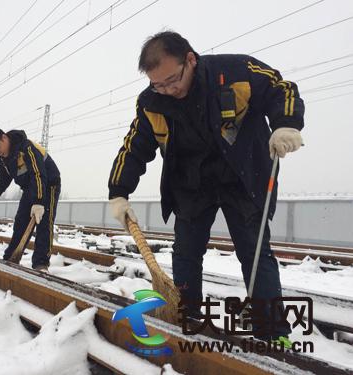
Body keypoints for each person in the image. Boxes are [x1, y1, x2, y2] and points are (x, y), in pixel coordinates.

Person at [108, 31, 304, 341]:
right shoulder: (151, 102)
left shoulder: (235, 73)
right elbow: (135, 146)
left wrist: (287, 122)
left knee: (254, 252)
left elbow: (281, 87)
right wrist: (118, 191)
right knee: (186, 252)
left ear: (190, 59)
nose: (168, 89)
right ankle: (189, 316)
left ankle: (272, 330)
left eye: (173, 79)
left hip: (242, 176)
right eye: (158, 84)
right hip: (191, 183)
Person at [0, 127, 61, 271]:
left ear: (4, 138)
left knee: (44, 222)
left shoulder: (26, 148)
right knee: (21, 222)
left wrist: (38, 202)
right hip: (30, 187)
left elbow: (38, 174)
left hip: (48, 184)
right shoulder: (4, 157)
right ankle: (12, 257)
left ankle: (41, 263)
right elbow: (5, 175)